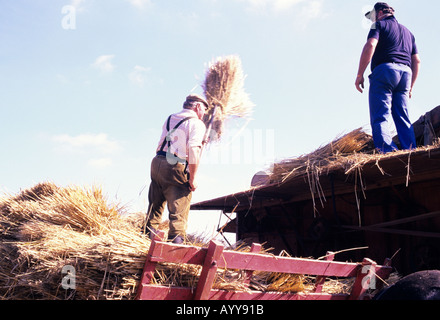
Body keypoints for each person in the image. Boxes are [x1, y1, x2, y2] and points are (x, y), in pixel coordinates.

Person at [355, 2, 421, 153]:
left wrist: (360, 74)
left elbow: (370, 45)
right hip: (405, 74)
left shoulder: (377, 26)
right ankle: (410, 151)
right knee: (403, 116)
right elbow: (416, 60)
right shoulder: (408, 33)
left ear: (378, 13)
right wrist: (411, 86)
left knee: (380, 116)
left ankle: (387, 152)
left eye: (372, 17)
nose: (372, 21)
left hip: (385, 71)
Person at [145, 94, 208, 244]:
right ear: (198, 107)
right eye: (204, 110)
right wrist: (192, 178)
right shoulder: (196, 124)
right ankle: (175, 249)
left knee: (154, 207)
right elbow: (193, 150)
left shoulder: (170, 118)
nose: (204, 114)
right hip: (174, 166)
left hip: (157, 163)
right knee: (178, 214)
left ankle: (146, 242)